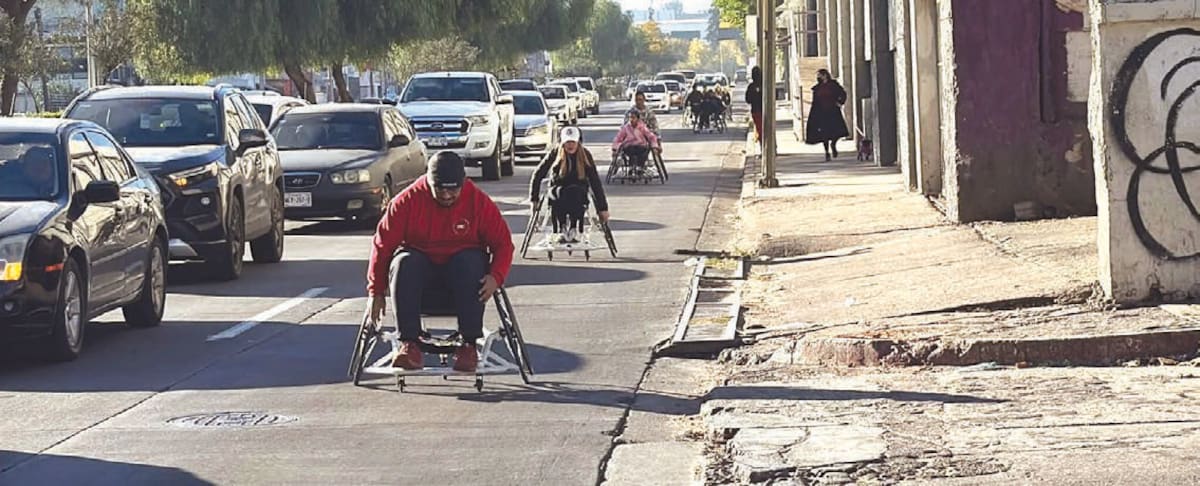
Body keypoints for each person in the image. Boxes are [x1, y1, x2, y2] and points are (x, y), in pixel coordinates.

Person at [367, 151, 515, 373]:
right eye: (440, 189)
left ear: (463, 183)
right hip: (421, 275)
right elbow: (382, 246)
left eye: (453, 189)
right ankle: (410, 345)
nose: (446, 195)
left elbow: (503, 244)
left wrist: (496, 276)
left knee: (470, 261)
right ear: (428, 182)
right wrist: (376, 292)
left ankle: (468, 345)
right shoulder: (406, 202)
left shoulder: (478, 202)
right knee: (404, 261)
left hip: (463, 275)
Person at [529, 127, 610, 242]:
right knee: (560, 194)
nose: (570, 145)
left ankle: (573, 227)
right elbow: (537, 175)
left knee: (574, 193)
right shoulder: (555, 153)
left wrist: (603, 208)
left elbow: (595, 182)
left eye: (573, 142)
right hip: (558, 189)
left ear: (578, 142)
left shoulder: (585, 155)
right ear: (562, 142)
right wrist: (534, 199)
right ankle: (562, 227)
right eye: (567, 142)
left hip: (578, 190)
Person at [805, 68, 850, 161]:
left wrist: (840, 102)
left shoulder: (833, 85)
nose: (818, 77)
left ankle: (833, 144)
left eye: (820, 75)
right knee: (824, 133)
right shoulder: (817, 88)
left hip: (833, 111)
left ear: (825, 75)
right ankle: (827, 152)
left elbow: (843, 93)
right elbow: (815, 101)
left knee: (836, 131)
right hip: (822, 112)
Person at [612, 109, 660, 173]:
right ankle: (631, 167)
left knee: (643, 151)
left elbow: (651, 137)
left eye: (633, 118)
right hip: (629, 147)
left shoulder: (642, 127)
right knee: (631, 150)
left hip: (641, 146)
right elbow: (618, 138)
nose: (631, 120)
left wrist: (654, 146)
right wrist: (615, 149)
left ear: (638, 119)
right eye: (630, 118)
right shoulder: (626, 128)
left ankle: (640, 167)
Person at [745, 67, 764, 142]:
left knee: (760, 129)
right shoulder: (765, 84)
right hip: (764, 110)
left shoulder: (751, 87)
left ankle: (762, 144)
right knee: (765, 129)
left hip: (756, 110)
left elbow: (748, 100)